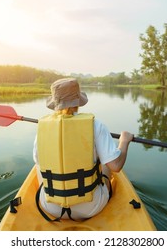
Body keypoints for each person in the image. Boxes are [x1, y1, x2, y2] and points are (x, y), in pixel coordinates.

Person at [33, 78, 134, 221]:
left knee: (38, 164)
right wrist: (124, 141)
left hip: (49, 207)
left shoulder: (42, 128)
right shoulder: (96, 125)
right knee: (106, 163)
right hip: (89, 208)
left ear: (55, 103)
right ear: (78, 102)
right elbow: (116, 166)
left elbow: (38, 161)